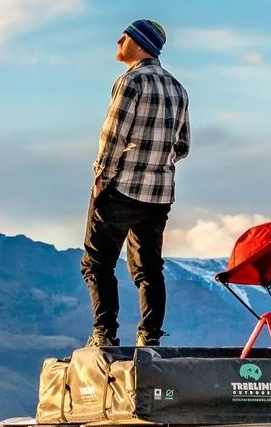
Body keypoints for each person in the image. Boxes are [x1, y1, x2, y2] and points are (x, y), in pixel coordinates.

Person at [80, 18, 190, 350]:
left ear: (139, 44)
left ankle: (105, 334)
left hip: (121, 188)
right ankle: (150, 336)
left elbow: (112, 137)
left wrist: (101, 178)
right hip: (159, 195)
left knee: (97, 263)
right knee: (149, 266)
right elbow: (182, 146)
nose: (118, 41)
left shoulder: (130, 82)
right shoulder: (177, 88)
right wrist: (156, 159)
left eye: (124, 37)